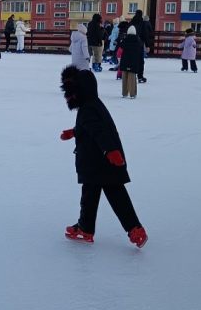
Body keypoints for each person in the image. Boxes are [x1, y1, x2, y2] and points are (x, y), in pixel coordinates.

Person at [59, 66, 148, 248]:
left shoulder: (88, 109)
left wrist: (110, 151)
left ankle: (87, 229)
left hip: (97, 161)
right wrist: (74, 132)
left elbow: (99, 131)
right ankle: (132, 229)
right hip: (101, 162)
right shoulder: (92, 104)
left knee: (95, 196)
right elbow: (90, 127)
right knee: (112, 195)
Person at [119, 26, 144, 99]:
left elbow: (121, 46)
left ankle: (124, 93)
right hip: (133, 62)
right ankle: (133, 94)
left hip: (125, 61)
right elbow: (140, 51)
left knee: (124, 78)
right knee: (132, 78)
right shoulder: (138, 40)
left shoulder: (125, 39)